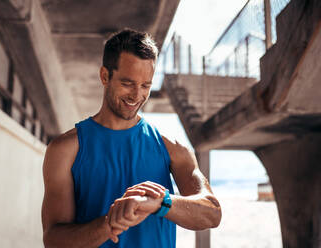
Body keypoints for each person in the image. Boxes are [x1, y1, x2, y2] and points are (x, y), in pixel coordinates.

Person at [41, 29, 221, 248]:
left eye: (145, 85)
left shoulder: (171, 147)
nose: (137, 96)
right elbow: (53, 240)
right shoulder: (65, 149)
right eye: (127, 83)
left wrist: (161, 203)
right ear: (105, 76)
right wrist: (109, 224)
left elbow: (212, 213)